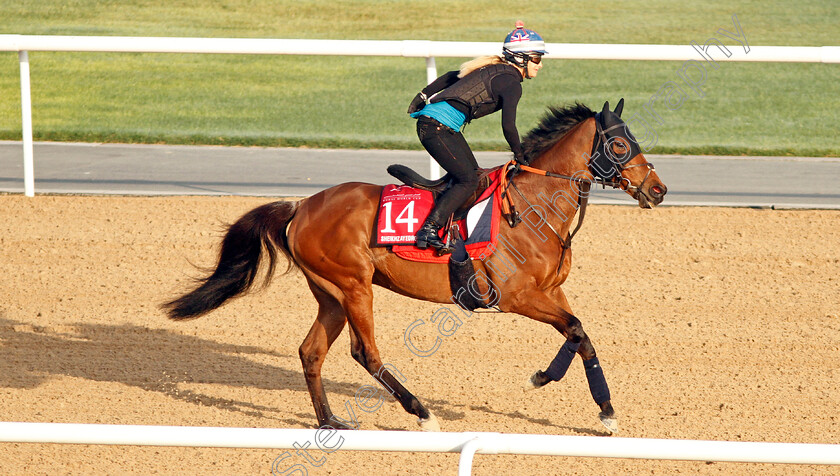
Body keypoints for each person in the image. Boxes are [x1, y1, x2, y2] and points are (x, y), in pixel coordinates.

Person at [407, 21, 547, 252]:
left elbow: (453, 75)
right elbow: (509, 126)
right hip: (437, 128)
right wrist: (520, 154)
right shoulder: (512, 83)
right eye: (537, 59)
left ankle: (449, 224)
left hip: (439, 126)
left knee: (474, 176)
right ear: (521, 58)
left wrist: (423, 94)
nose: (540, 65)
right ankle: (429, 229)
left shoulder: (491, 68)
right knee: (469, 180)